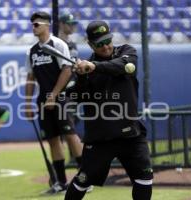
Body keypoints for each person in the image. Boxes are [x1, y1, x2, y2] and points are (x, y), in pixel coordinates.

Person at [64, 21, 153, 200]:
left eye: (107, 41)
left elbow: (125, 67)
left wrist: (95, 67)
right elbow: (79, 97)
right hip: (101, 137)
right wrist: (81, 78)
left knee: (144, 178)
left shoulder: (127, 52)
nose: (105, 46)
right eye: (99, 44)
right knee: (83, 180)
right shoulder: (85, 67)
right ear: (90, 45)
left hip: (131, 133)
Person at [24, 11, 83, 194]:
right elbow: (30, 77)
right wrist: (27, 104)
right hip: (43, 101)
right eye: (32, 24)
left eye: (37, 24)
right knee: (52, 140)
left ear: (47, 25)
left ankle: (84, 178)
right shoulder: (31, 51)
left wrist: (54, 95)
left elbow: (67, 70)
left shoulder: (58, 44)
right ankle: (61, 182)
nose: (34, 27)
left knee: (71, 135)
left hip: (61, 98)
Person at [58, 13, 80, 168]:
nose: (72, 26)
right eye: (69, 23)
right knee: (65, 125)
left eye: (73, 23)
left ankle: (74, 156)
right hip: (62, 90)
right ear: (62, 24)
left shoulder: (73, 44)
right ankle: (73, 157)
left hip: (74, 89)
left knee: (73, 122)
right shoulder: (56, 43)